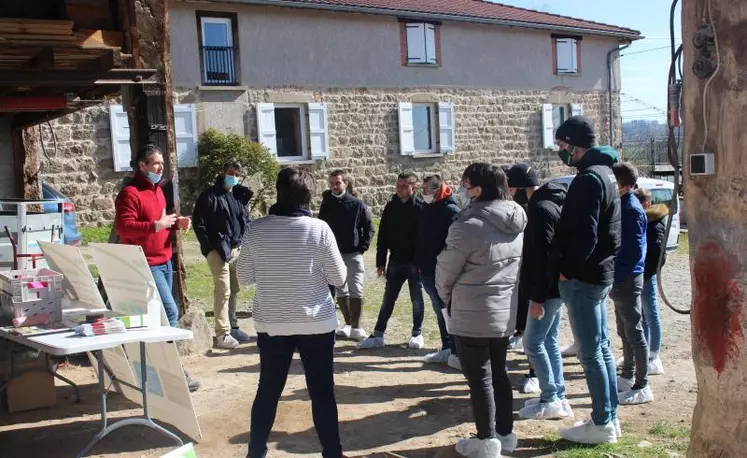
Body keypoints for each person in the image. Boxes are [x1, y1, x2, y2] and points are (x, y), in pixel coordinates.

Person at [236, 167, 347, 458]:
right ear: (309, 197)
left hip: (272, 321)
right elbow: (339, 277)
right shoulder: (319, 229)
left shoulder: (256, 229)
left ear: (278, 192)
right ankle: (333, 453)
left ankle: (256, 452)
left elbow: (244, 276)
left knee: (268, 390)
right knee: (322, 392)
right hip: (316, 321)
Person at [436, 163, 526, 458]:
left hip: (472, 312)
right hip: (503, 309)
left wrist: (446, 298)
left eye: (466, 183)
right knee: (499, 372)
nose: (462, 188)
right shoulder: (516, 219)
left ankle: (486, 441)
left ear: (478, 188)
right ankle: (505, 433)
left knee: (480, 379)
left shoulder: (468, 225)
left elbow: (446, 270)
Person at [552, 116, 621, 444]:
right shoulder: (605, 172)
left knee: (591, 352)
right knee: (602, 348)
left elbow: (585, 234)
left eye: (562, 146)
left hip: (584, 277)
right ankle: (609, 415)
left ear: (574, 145)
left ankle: (602, 422)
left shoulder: (587, 180)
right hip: (599, 273)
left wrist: (567, 269)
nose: (560, 152)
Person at [114, 143, 200, 392]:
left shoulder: (159, 191)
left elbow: (162, 221)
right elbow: (124, 228)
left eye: (162, 164)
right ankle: (174, 370)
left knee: (156, 317)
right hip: (146, 263)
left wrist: (176, 223)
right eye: (156, 164)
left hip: (164, 260)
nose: (160, 168)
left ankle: (157, 369)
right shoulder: (129, 193)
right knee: (170, 313)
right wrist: (156, 225)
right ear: (142, 165)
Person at [507, 166, 573, 420]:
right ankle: (557, 393)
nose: (511, 194)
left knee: (532, 343)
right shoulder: (552, 203)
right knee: (549, 342)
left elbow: (542, 257)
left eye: (513, 189)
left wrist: (537, 297)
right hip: (554, 288)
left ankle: (551, 398)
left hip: (546, 291)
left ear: (523, 188)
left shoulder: (539, 210)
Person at [358, 172, 426, 350]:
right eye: (398, 185)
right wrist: (381, 262)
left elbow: (425, 238)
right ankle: (378, 334)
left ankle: (417, 334)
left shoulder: (421, 208)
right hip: (395, 260)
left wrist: (422, 263)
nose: (400, 188)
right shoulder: (390, 207)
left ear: (414, 188)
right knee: (388, 298)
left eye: (404, 185)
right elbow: (383, 236)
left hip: (414, 262)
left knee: (417, 299)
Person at [192, 159, 254, 350]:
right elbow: (199, 223)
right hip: (218, 249)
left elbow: (245, 220)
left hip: (236, 249)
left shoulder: (237, 196)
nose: (233, 177)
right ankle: (222, 333)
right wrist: (210, 247)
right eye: (230, 173)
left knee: (234, 288)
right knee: (223, 289)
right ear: (222, 173)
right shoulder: (209, 196)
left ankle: (233, 326)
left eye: (237, 174)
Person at [611, 163, 652, 405]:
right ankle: (627, 374)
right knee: (624, 329)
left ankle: (642, 383)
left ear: (624, 185)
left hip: (627, 277)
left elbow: (634, 250)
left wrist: (616, 275)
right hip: (620, 277)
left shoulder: (632, 210)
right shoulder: (622, 205)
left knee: (634, 331)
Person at [318, 170, 375, 342]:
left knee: (356, 288)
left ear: (346, 183)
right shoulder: (326, 205)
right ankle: (348, 324)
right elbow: (321, 228)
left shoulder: (357, 204)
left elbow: (369, 227)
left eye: (338, 183)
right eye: (332, 183)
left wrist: (362, 247)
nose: (335, 186)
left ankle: (357, 327)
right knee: (341, 290)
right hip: (333, 255)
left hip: (353, 253)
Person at [417, 175, 461, 369]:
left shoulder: (450, 210)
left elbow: (453, 243)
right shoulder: (428, 208)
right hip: (426, 268)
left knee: (447, 311)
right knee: (440, 310)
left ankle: (455, 350)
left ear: (436, 191)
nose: (423, 193)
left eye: (426, 189)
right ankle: (446, 346)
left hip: (441, 270)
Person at [506, 164, 541, 395]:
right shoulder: (522, 207)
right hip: (519, 276)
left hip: (532, 277)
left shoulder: (535, 210)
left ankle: (535, 374)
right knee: (525, 327)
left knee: (533, 331)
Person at [634, 188, 667, 375]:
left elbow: (657, 255)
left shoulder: (654, 224)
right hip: (641, 275)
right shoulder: (647, 221)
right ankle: (645, 351)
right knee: (643, 316)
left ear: (646, 203)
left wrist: (646, 274)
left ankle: (654, 355)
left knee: (651, 313)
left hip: (646, 276)